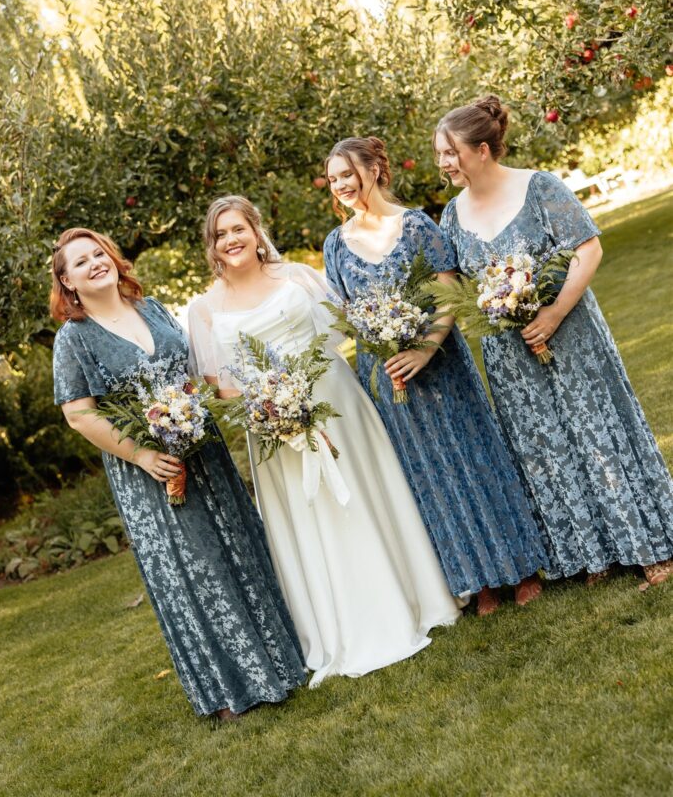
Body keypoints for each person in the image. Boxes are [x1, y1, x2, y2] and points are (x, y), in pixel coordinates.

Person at [187, 196, 463, 686]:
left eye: (238, 229)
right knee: (315, 514)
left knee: (364, 493)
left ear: (256, 230)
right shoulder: (205, 308)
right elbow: (221, 385)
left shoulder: (297, 276)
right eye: (220, 235)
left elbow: (347, 325)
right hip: (275, 425)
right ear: (212, 246)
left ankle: (414, 596)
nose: (231, 241)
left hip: (337, 400)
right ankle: (348, 625)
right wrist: (275, 409)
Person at [51, 227, 306, 719]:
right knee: (195, 570)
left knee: (239, 545)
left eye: (98, 253)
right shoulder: (74, 339)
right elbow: (79, 414)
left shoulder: (151, 308)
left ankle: (284, 660)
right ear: (68, 282)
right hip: (149, 470)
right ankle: (230, 690)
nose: (94, 263)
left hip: (204, 453)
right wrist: (144, 456)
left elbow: (193, 373)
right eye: (80, 263)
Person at [434, 94, 673, 586]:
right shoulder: (451, 218)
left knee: (599, 429)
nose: (444, 163)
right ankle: (593, 554)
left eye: (450, 152)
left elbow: (588, 248)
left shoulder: (540, 187)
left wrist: (554, 311)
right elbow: (457, 291)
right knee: (545, 446)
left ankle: (648, 541)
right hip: (508, 354)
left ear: (482, 150)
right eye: (439, 153)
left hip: (572, 333)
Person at [322, 138, 549, 615]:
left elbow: (449, 294)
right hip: (386, 375)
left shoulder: (417, 225)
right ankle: (478, 579)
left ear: (376, 168)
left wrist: (424, 349)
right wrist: (386, 349)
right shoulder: (335, 245)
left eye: (348, 173)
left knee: (475, 457)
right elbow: (349, 315)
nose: (340, 184)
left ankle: (523, 566)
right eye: (334, 177)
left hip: (440, 363)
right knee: (427, 474)